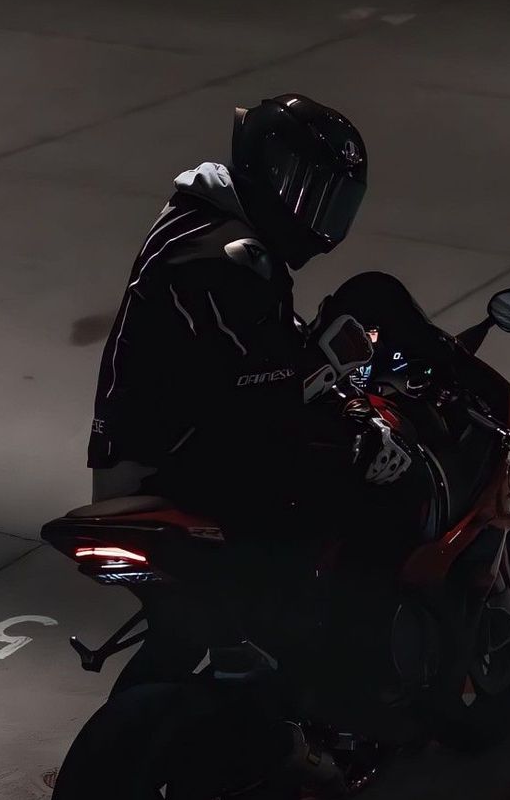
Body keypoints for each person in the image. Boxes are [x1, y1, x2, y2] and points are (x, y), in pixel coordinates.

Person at [87, 93, 412, 531]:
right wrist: (344, 395)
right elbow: (265, 382)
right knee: (343, 501)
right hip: (164, 457)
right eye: (310, 196)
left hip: (163, 438)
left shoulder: (207, 219)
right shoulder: (224, 253)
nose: (320, 224)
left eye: (332, 206)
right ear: (273, 174)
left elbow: (253, 344)